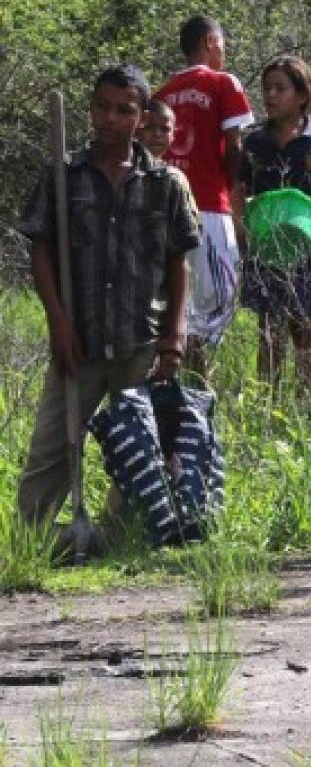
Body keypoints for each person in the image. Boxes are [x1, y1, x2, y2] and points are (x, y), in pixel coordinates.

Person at [15, 65, 199, 537]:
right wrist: (58, 323)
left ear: (141, 117)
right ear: (91, 108)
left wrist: (174, 336)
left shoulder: (166, 183)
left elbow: (180, 260)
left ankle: (116, 537)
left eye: (124, 110)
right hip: (80, 339)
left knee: (137, 450)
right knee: (51, 450)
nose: (110, 118)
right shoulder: (64, 175)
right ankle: (32, 538)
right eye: (102, 107)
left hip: (140, 340)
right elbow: (41, 250)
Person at [237, 56, 311, 387]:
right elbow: (239, 188)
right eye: (266, 89)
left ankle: (310, 405)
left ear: (302, 95)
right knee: (269, 334)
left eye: (280, 88)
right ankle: (267, 404)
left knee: (307, 331)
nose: (271, 96)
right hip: (267, 250)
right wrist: (241, 227)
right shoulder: (255, 143)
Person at [155, 15, 254, 380]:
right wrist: (237, 188)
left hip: (165, 211)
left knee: (174, 303)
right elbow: (234, 145)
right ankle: (198, 389)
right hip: (210, 207)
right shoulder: (223, 83)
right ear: (211, 42)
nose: (224, 54)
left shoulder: (162, 93)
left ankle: (173, 388)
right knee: (214, 305)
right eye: (222, 46)